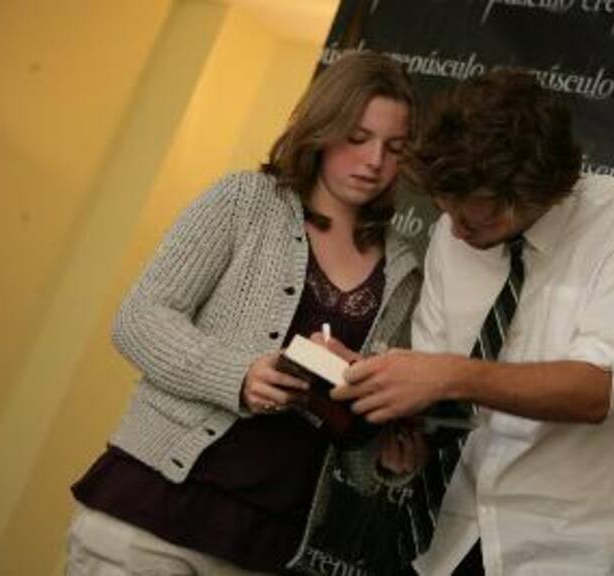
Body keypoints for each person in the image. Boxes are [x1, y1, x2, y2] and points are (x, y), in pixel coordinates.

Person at [65, 51, 423, 575]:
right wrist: (239, 376)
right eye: (358, 137)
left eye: (394, 148)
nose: (374, 161)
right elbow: (139, 319)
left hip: (262, 549)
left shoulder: (403, 271)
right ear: (323, 129)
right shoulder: (244, 201)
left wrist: (385, 459)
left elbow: (351, 445)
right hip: (148, 518)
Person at [332, 68, 614, 575]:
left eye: (473, 216)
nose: (455, 231)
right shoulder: (451, 237)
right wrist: (397, 416)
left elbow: (596, 389)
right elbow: (439, 391)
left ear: (535, 191)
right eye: (445, 209)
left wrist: (449, 374)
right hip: (448, 540)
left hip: (569, 549)